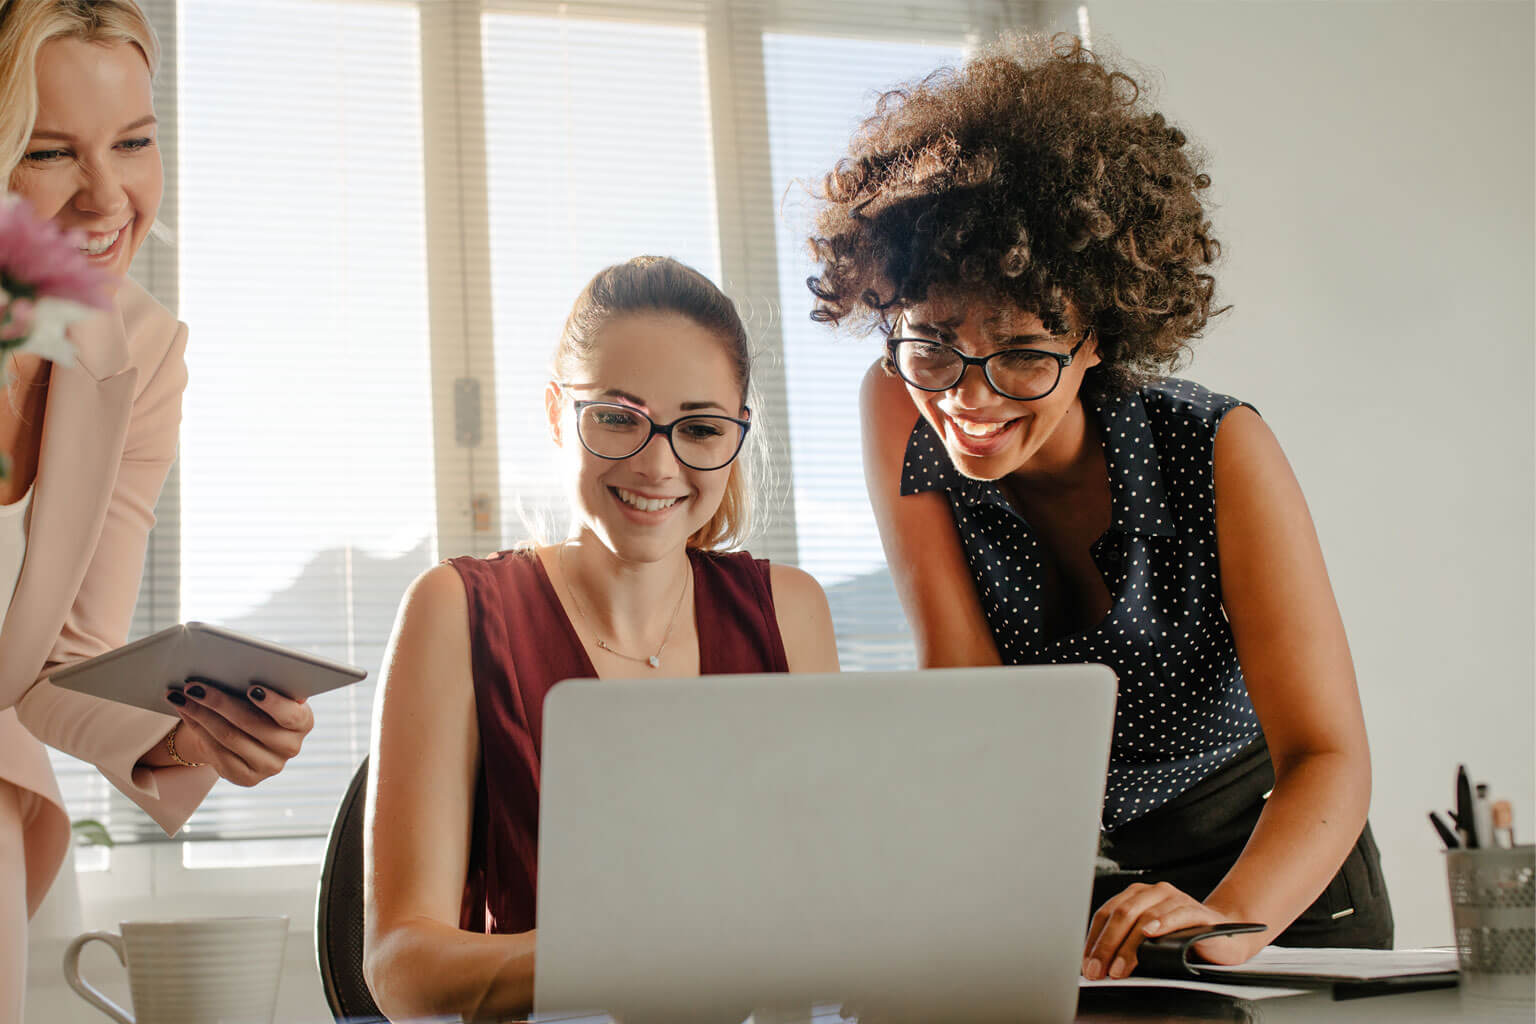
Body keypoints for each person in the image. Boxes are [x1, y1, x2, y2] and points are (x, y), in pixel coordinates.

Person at [806, 35, 1391, 979]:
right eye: (933, 344)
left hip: (1274, 878)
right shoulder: (896, 404)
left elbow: (1328, 758)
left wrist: (1221, 922)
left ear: (1098, 340)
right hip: (1078, 884)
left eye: (1026, 352)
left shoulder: (1218, 450)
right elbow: (970, 693)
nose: (968, 397)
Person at [364, 256, 840, 1021]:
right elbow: (400, 970)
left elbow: (832, 908)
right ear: (559, 415)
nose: (658, 465)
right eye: (618, 417)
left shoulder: (792, 612)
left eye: (700, 428)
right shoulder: (453, 608)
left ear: (735, 436)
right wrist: (626, 953)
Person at [0, 3, 315, 1018]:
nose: (107, 197)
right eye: (50, 153)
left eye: (134, 142)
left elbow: (55, 669)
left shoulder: (135, 354)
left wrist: (198, 735)